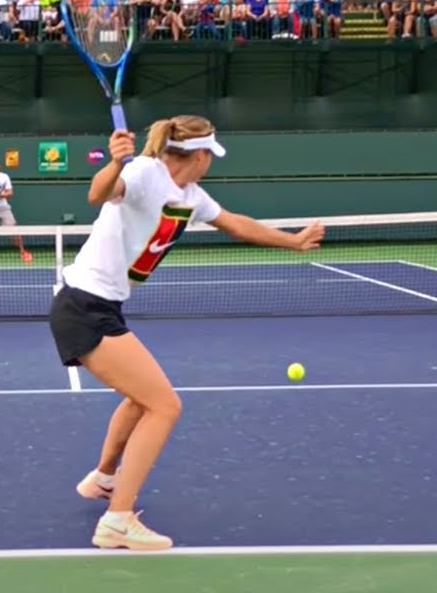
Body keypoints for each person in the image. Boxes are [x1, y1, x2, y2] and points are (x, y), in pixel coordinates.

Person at [49, 115, 325, 551]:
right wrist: (116, 162)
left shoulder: (191, 196)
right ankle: (117, 521)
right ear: (199, 155)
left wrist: (293, 241)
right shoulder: (143, 173)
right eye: (209, 157)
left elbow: (236, 224)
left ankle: (103, 478)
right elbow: (99, 193)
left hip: (103, 306)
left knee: (142, 400)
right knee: (164, 406)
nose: (210, 164)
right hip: (84, 305)